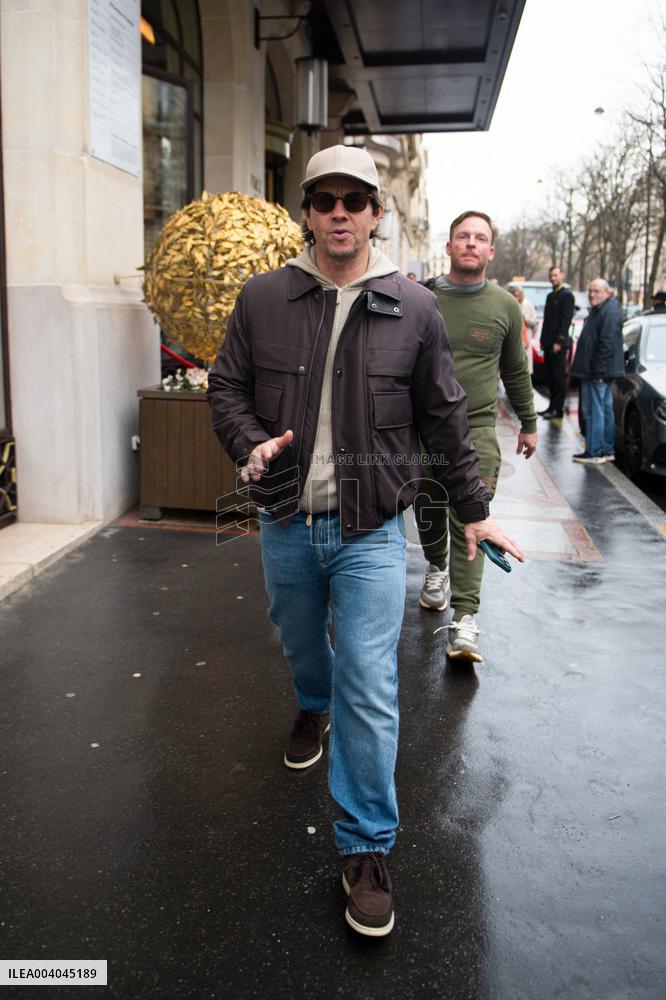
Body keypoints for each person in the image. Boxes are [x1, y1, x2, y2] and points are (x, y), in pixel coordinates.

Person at [207, 146, 523, 938]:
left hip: (374, 530)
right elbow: (226, 385)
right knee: (301, 642)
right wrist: (248, 441)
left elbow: (446, 418)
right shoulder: (263, 298)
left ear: (377, 213)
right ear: (306, 212)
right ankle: (308, 705)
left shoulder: (412, 306)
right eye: (324, 200)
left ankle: (367, 847)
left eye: (355, 199)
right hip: (285, 516)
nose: (340, 212)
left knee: (371, 684)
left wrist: (474, 508)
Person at [415, 212, 536, 663]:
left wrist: (529, 421)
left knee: (473, 516)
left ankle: (464, 619)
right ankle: (435, 567)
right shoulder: (420, 298)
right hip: (422, 428)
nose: (470, 243)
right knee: (426, 506)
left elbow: (515, 371)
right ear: (448, 247)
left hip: (478, 428)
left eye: (479, 238)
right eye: (462, 236)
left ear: (490, 251)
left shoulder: (504, 305)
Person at [569, 278, 623, 464]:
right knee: (604, 409)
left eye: (597, 291)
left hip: (597, 372)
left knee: (594, 411)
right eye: (590, 290)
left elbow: (607, 345)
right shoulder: (604, 309)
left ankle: (595, 451)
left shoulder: (608, 311)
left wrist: (599, 372)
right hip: (598, 371)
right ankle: (606, 449)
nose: (592, 294)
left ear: (607, 292)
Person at [539, 265, 575, 419]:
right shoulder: (550, 295)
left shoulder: (566, 295)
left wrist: (559, 341)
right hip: (548, 343)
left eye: (555, 275)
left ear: (562, 275)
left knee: (558, 377)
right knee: (550, 377)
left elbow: (565, 320)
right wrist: (543, 340)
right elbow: (547, 321)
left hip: (558, 344)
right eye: (551, 275)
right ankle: (551, 406)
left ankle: (557, 408)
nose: (553, 278)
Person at [510, 284, 538, 374]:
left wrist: (524, 317)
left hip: (526, 337)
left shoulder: (528, 305)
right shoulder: (510, 304)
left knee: (525, 362)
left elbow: (534, 321)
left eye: (518, 295)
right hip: (514, 337)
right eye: (515, 295)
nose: (516, 297)